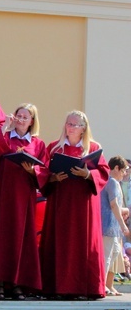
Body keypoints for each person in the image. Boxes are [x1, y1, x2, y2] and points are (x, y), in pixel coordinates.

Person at [38, 110, 109, 299]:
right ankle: (57, 287)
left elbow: (103, 173)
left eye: (74, 124)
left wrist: (86, 174)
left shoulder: (93, 148)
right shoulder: (55, 148)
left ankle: (84, 288)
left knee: (82, 243)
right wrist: (52, 177)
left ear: (83, 128)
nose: (70, 127)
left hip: (83, 206)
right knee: (60, 242)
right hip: (60, 203)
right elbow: (43, 171)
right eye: (68, 124)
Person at [0, 103, 47, 299]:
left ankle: (17, 283)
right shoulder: (5, 136)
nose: (20, 120)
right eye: (18, 116)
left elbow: (43, 171)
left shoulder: (38, 144)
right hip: (2, 195)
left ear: (31, 122)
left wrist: (33, 171)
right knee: (1, 237)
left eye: (25, 117)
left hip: (24, 197)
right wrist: (5, 126)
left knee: (21, 238)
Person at [101, 156, 131, 296]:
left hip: (113, 228)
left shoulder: (113, 182)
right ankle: (101, 285)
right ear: (116, 168)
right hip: (107, 226)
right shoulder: (112, 181)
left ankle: (104, 284)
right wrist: (123, 225)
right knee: (106, 257)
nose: (125, 173)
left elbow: (117, 206)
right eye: (124, 170)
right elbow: (113, 205)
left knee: (115, 253)